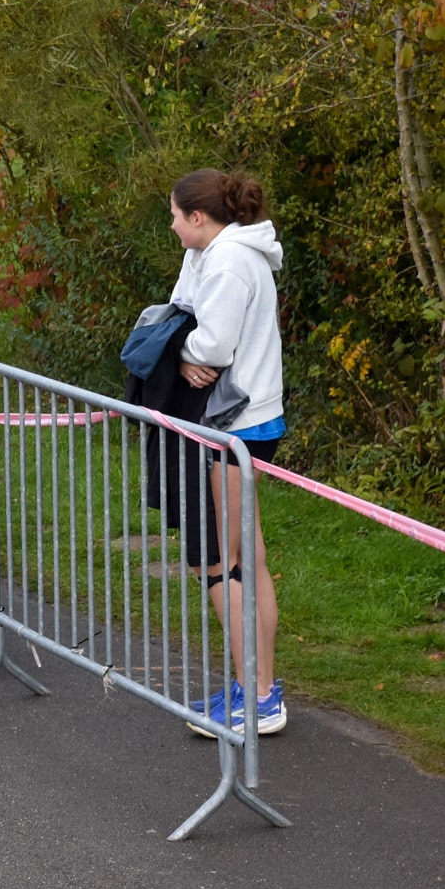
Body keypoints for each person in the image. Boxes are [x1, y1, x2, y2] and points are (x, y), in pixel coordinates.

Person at [167, 169, 288, 737]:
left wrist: (181, 350)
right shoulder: (212, 253)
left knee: (227, 561)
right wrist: (183, 347)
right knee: (245, 555)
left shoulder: (230, 261)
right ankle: (256, 688)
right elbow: (181, 309)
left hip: (235, 423)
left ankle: (259, 696)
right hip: (238, 420)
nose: (171, 226)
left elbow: (210, 342)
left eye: (175, 216)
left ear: (198, 217)